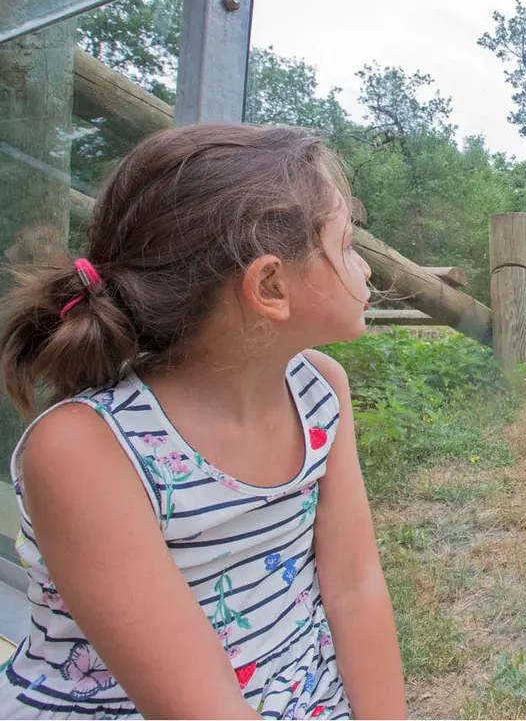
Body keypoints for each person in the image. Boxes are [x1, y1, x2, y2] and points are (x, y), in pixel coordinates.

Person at [0, 123, 406, 719]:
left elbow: (355, 585)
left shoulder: (320, 390)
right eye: (346, 246)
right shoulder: (85, 449)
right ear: (270, 285)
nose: (365, 270)